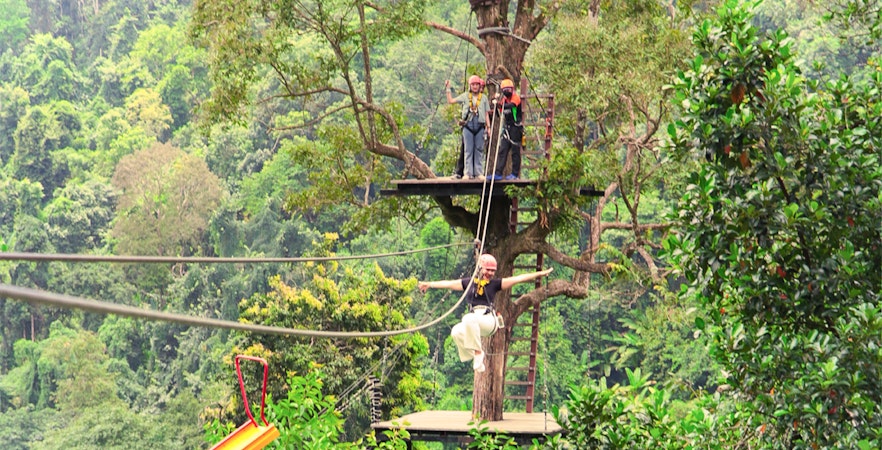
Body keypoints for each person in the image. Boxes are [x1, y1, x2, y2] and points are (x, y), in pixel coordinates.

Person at [418, 254, 553, 373]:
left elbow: (518, 278)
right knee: (456, 331)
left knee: (468, 318)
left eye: (492, 271)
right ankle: (474, 354)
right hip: (474, 321)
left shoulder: (494, 284)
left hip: (489, 320)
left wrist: (539, 274)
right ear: (480, 268)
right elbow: (449, 284)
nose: (490, 273)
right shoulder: (469, 283)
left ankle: (478, 352)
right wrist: (429, 284)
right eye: (488, 270)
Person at [446, 75, 491, 179]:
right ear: (470, 86)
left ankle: (479, 173)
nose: (475, 87)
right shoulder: (465, 96)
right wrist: (448, 89)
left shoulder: (483, 98)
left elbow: (486, 113)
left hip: (480, 125)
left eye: (477, 85)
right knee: (468, 150)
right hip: (468, 126)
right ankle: (467, 173)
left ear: (479, 86)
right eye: (473, 85)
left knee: (479, 149)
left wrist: (488, 128)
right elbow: (451, 101)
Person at [488, 78, 524, 181]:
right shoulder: (504, 100)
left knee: (515, 152)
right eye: (505, 90)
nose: (507, 91)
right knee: (502, 150)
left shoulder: (515, 98)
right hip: (507, 128)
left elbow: (511, 106)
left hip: (516, 128)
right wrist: (495, 106)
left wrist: (500, 104)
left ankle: (515, 174)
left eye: (509, 89)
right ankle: (498, 173)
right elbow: (499, 113)